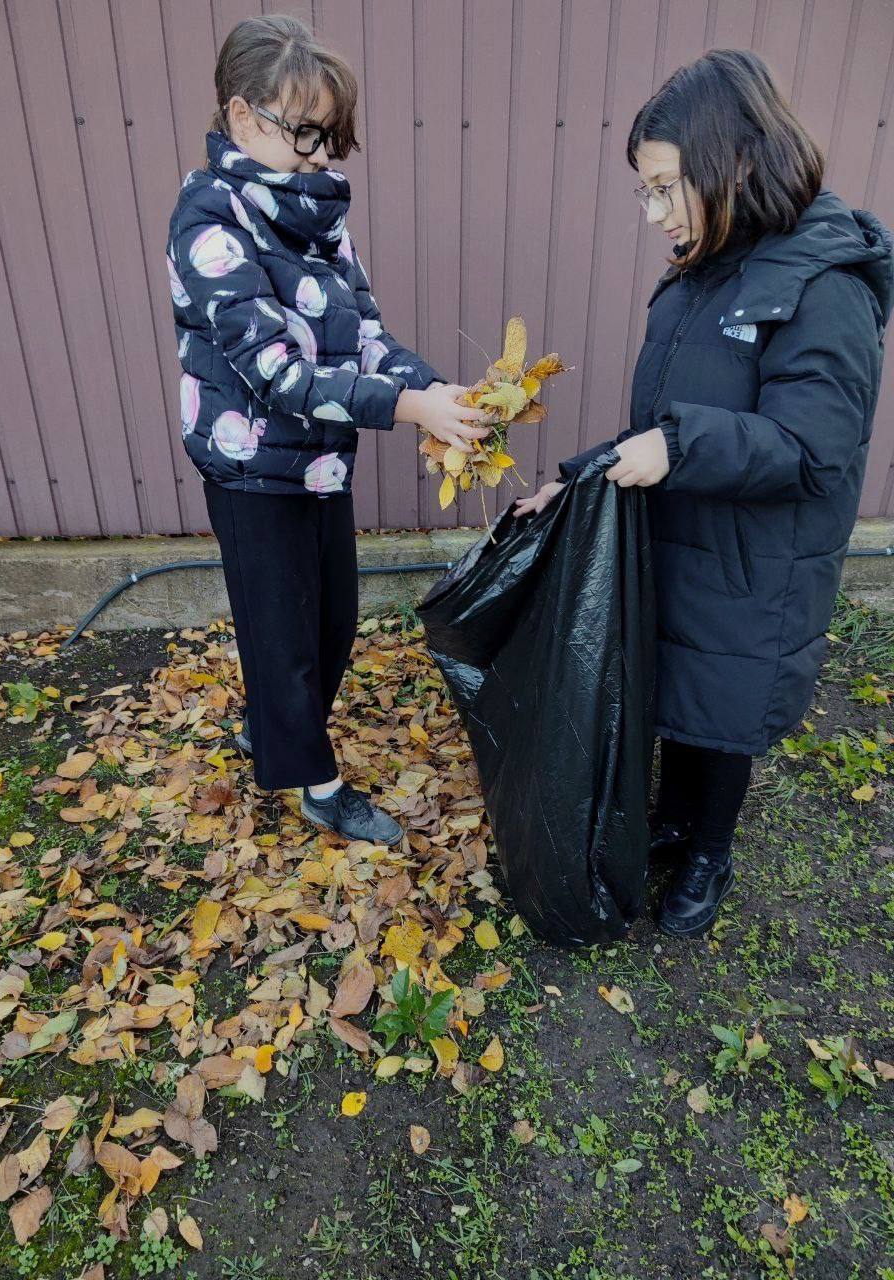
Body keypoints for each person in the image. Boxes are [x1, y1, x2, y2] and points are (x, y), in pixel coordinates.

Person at [516, 49, 892, 937]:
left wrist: (678, 446)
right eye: (644, 192)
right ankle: (675, 820)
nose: (653, 215)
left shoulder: (823, 286)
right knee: (680, 688)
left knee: (721, 711)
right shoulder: (701, 272)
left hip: (756, 567)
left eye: (664, 188)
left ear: (737, 161)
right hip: (682, 539)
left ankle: (710, 849)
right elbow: (661, 417)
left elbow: (813, 448)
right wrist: (571, 484)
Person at [167, 15, 489, 845]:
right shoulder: (208, 225)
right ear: (242, 117)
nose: (318, 153)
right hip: (249, 467)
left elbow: (367, 337)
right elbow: (274, 374)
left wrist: (437, 389)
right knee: (284, 638)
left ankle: (270, 729)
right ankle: (317, 786)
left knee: (331, 622)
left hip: (316, 462)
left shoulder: (315, 219)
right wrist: (410, 411)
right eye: (302, 131)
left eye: (329, 136)